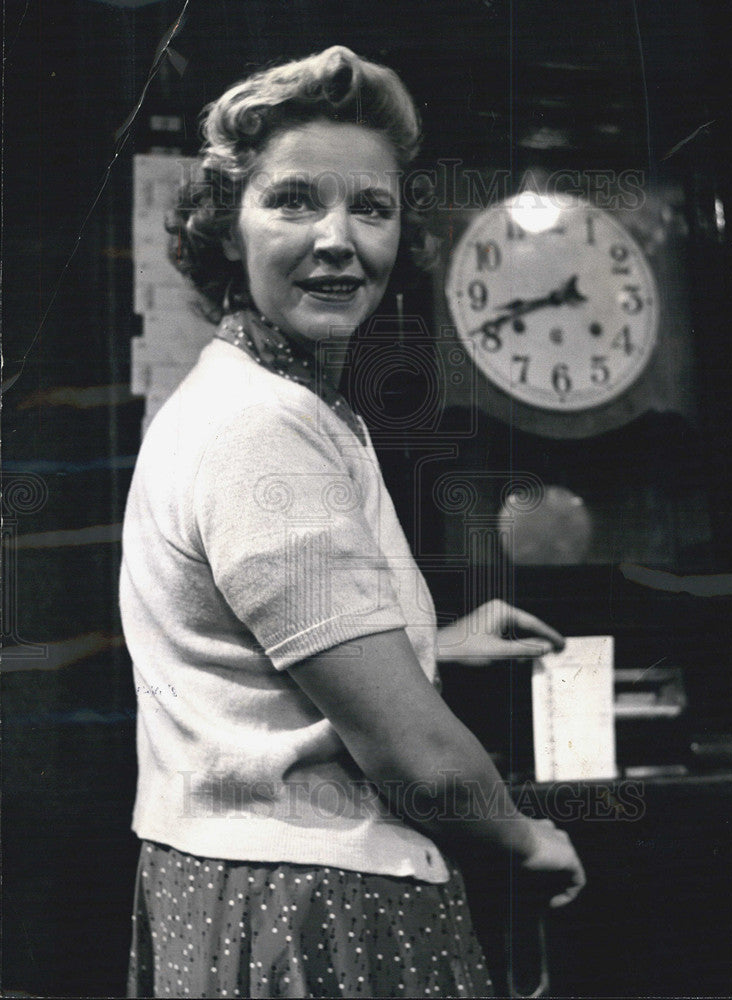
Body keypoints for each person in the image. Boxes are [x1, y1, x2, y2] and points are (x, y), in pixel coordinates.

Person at [121, 45, 585, 999]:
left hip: (262, 894)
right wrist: (526, 840)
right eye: (294, 200)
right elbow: (422, 762)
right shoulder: (261, 427)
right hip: (315, 910)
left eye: (370, 208)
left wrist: (430, 643)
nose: (338, 239)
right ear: (223, 231)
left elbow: (252, 657)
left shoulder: (276, 400)